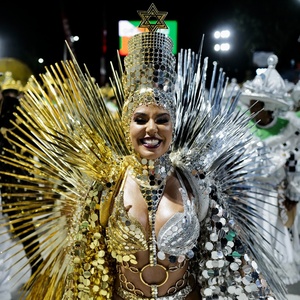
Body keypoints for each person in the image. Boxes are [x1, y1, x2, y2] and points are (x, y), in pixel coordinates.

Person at [0, 4, 288, 300]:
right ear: (127, 125)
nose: (151, 129)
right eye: (140, 119)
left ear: (173, 125)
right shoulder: (105, 189)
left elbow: (228, 263)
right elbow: (86, 275)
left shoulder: (197, 185)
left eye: (162, 119)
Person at [239, 54, 300, 286]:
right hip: (245, 196)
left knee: (273, 238)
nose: (251, 107)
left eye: (256, 103)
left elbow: (294, 166)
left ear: (269, 107)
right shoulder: (241, 125)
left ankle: (271, 281)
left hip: (273, 198)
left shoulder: (290, 130)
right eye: (251, 102)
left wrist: (293, 195)